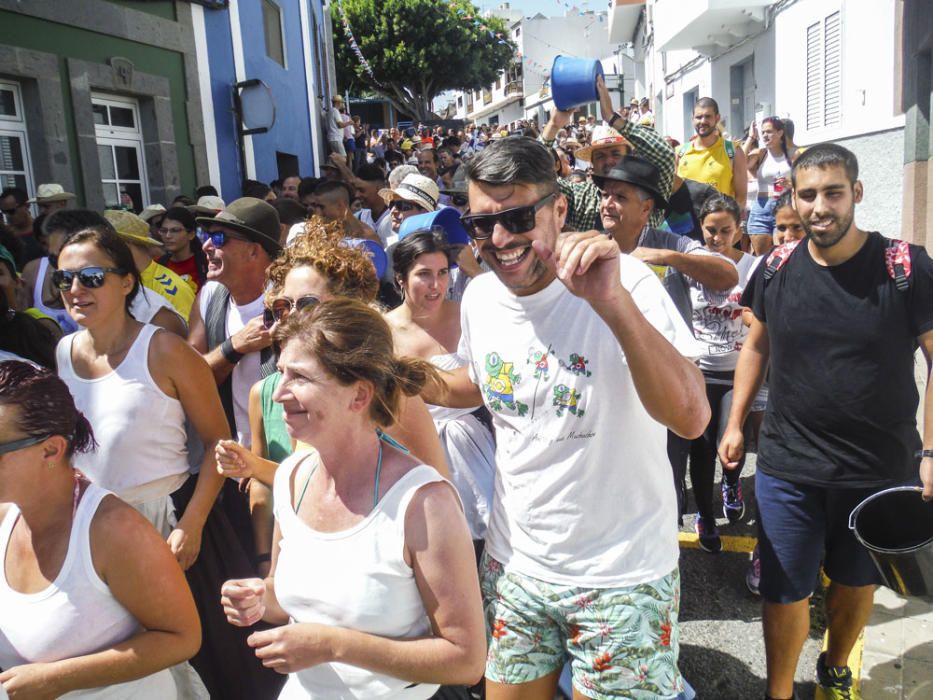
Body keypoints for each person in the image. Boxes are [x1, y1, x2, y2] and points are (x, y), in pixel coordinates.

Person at [424, 136, 707, 699]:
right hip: (515, 569)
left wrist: (611, 302)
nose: (499, 239)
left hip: (620, 577)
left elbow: (692, 417)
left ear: (558, 210)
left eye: (516, 216)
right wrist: (398, 375)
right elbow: (484, 386)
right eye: (482, 225)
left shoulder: (627, 283)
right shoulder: (480, 298)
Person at [718, 143, 933, 700]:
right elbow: (756, 346)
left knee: (856, 580)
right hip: (789, 465)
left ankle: (835, 665)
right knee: (784, 590)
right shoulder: (776, 267)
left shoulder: (905, 266)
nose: (819, 207)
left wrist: (931, 452)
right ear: (793, 197)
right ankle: (780, 691)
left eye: (833, 193)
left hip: (878, 469)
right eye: (807, 194)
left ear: (856, 194)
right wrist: (736, 422)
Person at [53, 224, 282, 698]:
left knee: (205, 664)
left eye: (91, 276)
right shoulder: (63, 352)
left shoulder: (164, 350)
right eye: (65, 279)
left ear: (126, 282)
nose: (76, 290)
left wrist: (191, 526)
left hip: (169, 525)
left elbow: (219, 445)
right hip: (94, 533)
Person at [220, 299, 486, 698]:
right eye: (281, 373)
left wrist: (333, 646)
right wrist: (260, 598)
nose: (279, 394)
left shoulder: (423, 503)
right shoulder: (293, 477)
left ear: (359, 396)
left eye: (300, 378)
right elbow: (281, 594)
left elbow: (466, 659)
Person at [0, 360, 201, 698]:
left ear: (51, 450)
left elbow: (181, 638)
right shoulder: (5, 517)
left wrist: (57, 679)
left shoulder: (115, 531)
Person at [386, 229, 496, 551]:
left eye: (442, 273)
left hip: (480, 446)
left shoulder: (468, 314)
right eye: (423, 275)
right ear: (400, 279)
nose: (435, 285)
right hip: (412, 451)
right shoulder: (383, 329)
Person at [686, 194, 762, 553]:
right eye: (710, 230)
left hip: (737, 371)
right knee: (700, 451)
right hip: (700, 372)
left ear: (739, 228)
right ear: (701, 227)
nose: (716, 238)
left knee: (731, 443)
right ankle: (704, 512)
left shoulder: (752, 267)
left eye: (725, 231)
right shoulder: (691, 263)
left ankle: (731, 482)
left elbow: (760, 318)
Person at [677, 98, 748, 207]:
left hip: (718, 222)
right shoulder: (679, 152)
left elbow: (741, 198)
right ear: (692, 119)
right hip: (686, 221)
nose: (703, 121)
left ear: (717, 118)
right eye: (698, 117)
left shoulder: (733, 151)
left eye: (708, 116)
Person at [744, 117, 797, 254]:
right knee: (762, 257)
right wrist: (751, 137)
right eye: (763, 132)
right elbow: (738, 162)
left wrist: (789, 184)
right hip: (761, 207)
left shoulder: (793, 154)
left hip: (785, 206)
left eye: (769, 131)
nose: (765, 135)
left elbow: (806, 181)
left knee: (785, 253)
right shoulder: (761, 153)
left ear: (780, 133)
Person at [157, 206, 209, 292]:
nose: (168, 236)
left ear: (191, 234)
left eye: (175, 230)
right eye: (164, 230)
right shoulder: (158, 265)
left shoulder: (206, 263)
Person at [327, 95, 352, 160]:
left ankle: (333, 169)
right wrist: (349, 122)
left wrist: (343, 136)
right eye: (341, 102)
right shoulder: (335, 111)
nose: (342, 104)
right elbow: (340, 125)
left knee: (336, 159)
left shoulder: (332, 111)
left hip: (334, 138)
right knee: (343, 158)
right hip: (336, 138)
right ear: (337, 103)